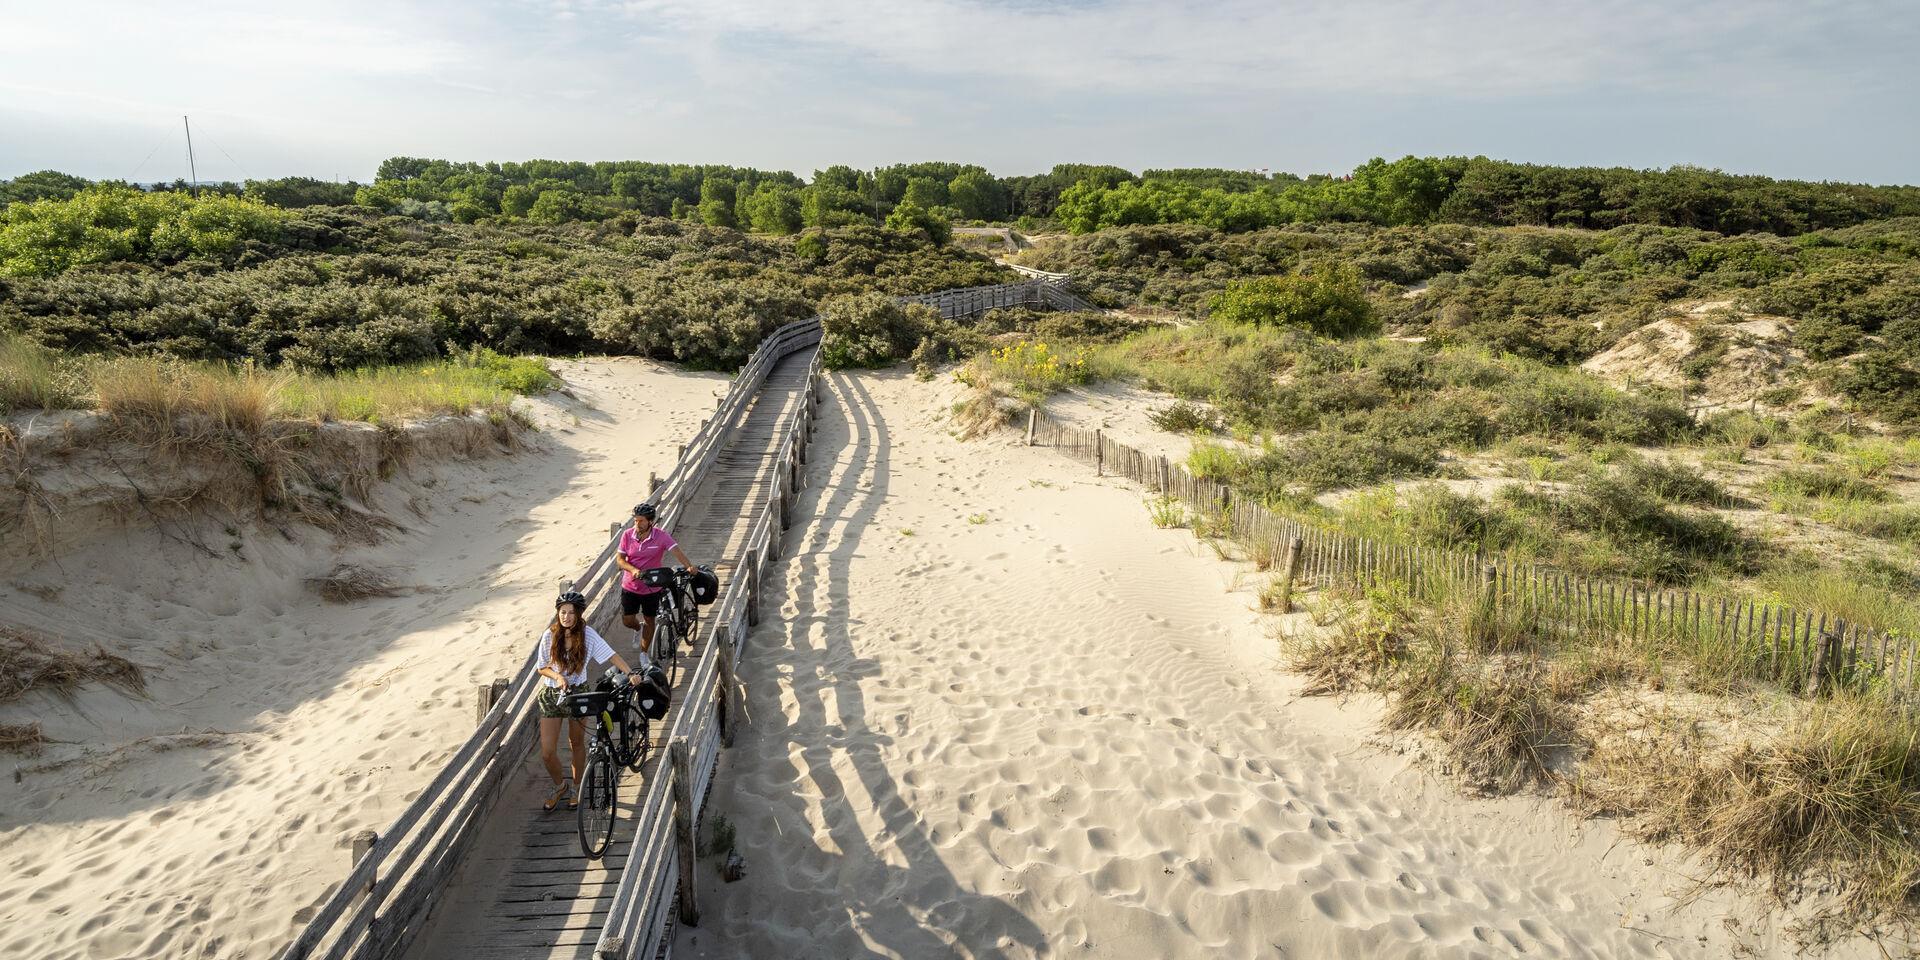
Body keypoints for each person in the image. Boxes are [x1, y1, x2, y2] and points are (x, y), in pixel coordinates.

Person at [536, 590, 640, 811]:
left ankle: (576, 787)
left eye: (571, 613)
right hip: (552, 694)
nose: (566, 617)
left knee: (576, 743)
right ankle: (560, 785)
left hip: (578, 694)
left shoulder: (587, 634)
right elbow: (542, 667)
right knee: (547, 751)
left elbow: (610, 654)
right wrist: (557, 676)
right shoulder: (549, 635)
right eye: (562, 612)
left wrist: (630, 673)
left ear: (579, 614)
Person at [615, 502, 698, 659]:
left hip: (652, 587)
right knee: (627, 620)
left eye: (641, 521)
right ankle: (637, 629)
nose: (637, 524)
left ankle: (644, 654)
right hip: (630, 585)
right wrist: (633, 570)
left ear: (650, 522)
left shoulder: (661, 536)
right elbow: (620, 560)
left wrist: (689, 566)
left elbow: (677, 552)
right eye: (635, 520)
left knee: (649, 619)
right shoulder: (627, 535)